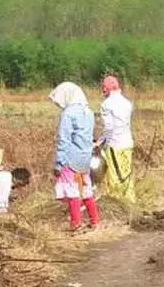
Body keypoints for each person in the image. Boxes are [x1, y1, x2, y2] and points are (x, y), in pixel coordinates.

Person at [51, 82, 100, 231]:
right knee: (86, 189)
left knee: (72, 192)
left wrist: (58, 164)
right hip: (85, 158)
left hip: (70, 159)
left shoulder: (68, 114)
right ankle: (94, 221)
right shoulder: (89, 112)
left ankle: (75, 224)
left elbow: (64, 140)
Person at [99, 75, 136, 203]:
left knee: (115, 175)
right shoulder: (127, 103)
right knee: (127, 174)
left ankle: (116, 204)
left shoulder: (106, 104)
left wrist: (100, 142)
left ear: (106, 89)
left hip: (115, 144)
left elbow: (109, 128)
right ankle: (130, 202)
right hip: (128, 143)